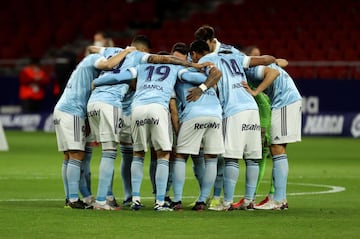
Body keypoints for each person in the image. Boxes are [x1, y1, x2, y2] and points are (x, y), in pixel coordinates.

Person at [89, 36, 210, 211]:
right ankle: (160, 202)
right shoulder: (176, 67)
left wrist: (97, 82)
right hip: (158, 108)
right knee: (163, 155)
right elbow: (194, 78)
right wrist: (207, 74)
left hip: (137, 109)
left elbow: (118, 77)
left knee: (138, 154)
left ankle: (136, 199)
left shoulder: (141, 66)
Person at [187, 40, 280, 211]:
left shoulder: (207, 60)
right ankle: (249, 201)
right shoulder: (237, 57)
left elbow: (210, 75)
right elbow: (266, 59)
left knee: (231, 159)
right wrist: (274, 59)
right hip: (252, 109)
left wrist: (200, 88)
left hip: (233, 110)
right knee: (252, 159)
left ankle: (227, 202)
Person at [53, 48, 133, 209]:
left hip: (64, 109)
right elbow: (109, 64)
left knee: (69, 156)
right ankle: (73, 200)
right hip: (73, 111)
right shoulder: (94, 59)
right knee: (76, 155)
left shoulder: (86, 68)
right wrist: (127, 51)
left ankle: (71, 198)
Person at [171, 42, 224, 211]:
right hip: (215, 115)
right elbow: (197, 78)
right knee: (211, 158)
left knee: (180, 156)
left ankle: (178, 200)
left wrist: (206, 76)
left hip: (195, 115)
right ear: (193, 55)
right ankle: (202, 201)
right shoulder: (186, 71)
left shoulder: (182, 70)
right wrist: (209, 78)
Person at [243, 60, 302, 210]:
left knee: (277, 148)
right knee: (277, 148)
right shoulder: (258, 65)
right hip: (287, 101)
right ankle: (275, 197)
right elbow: (281, 63)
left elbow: (274, 72)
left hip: (284, 101)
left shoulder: (250, 70)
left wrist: (256, 91)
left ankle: (279, 200)